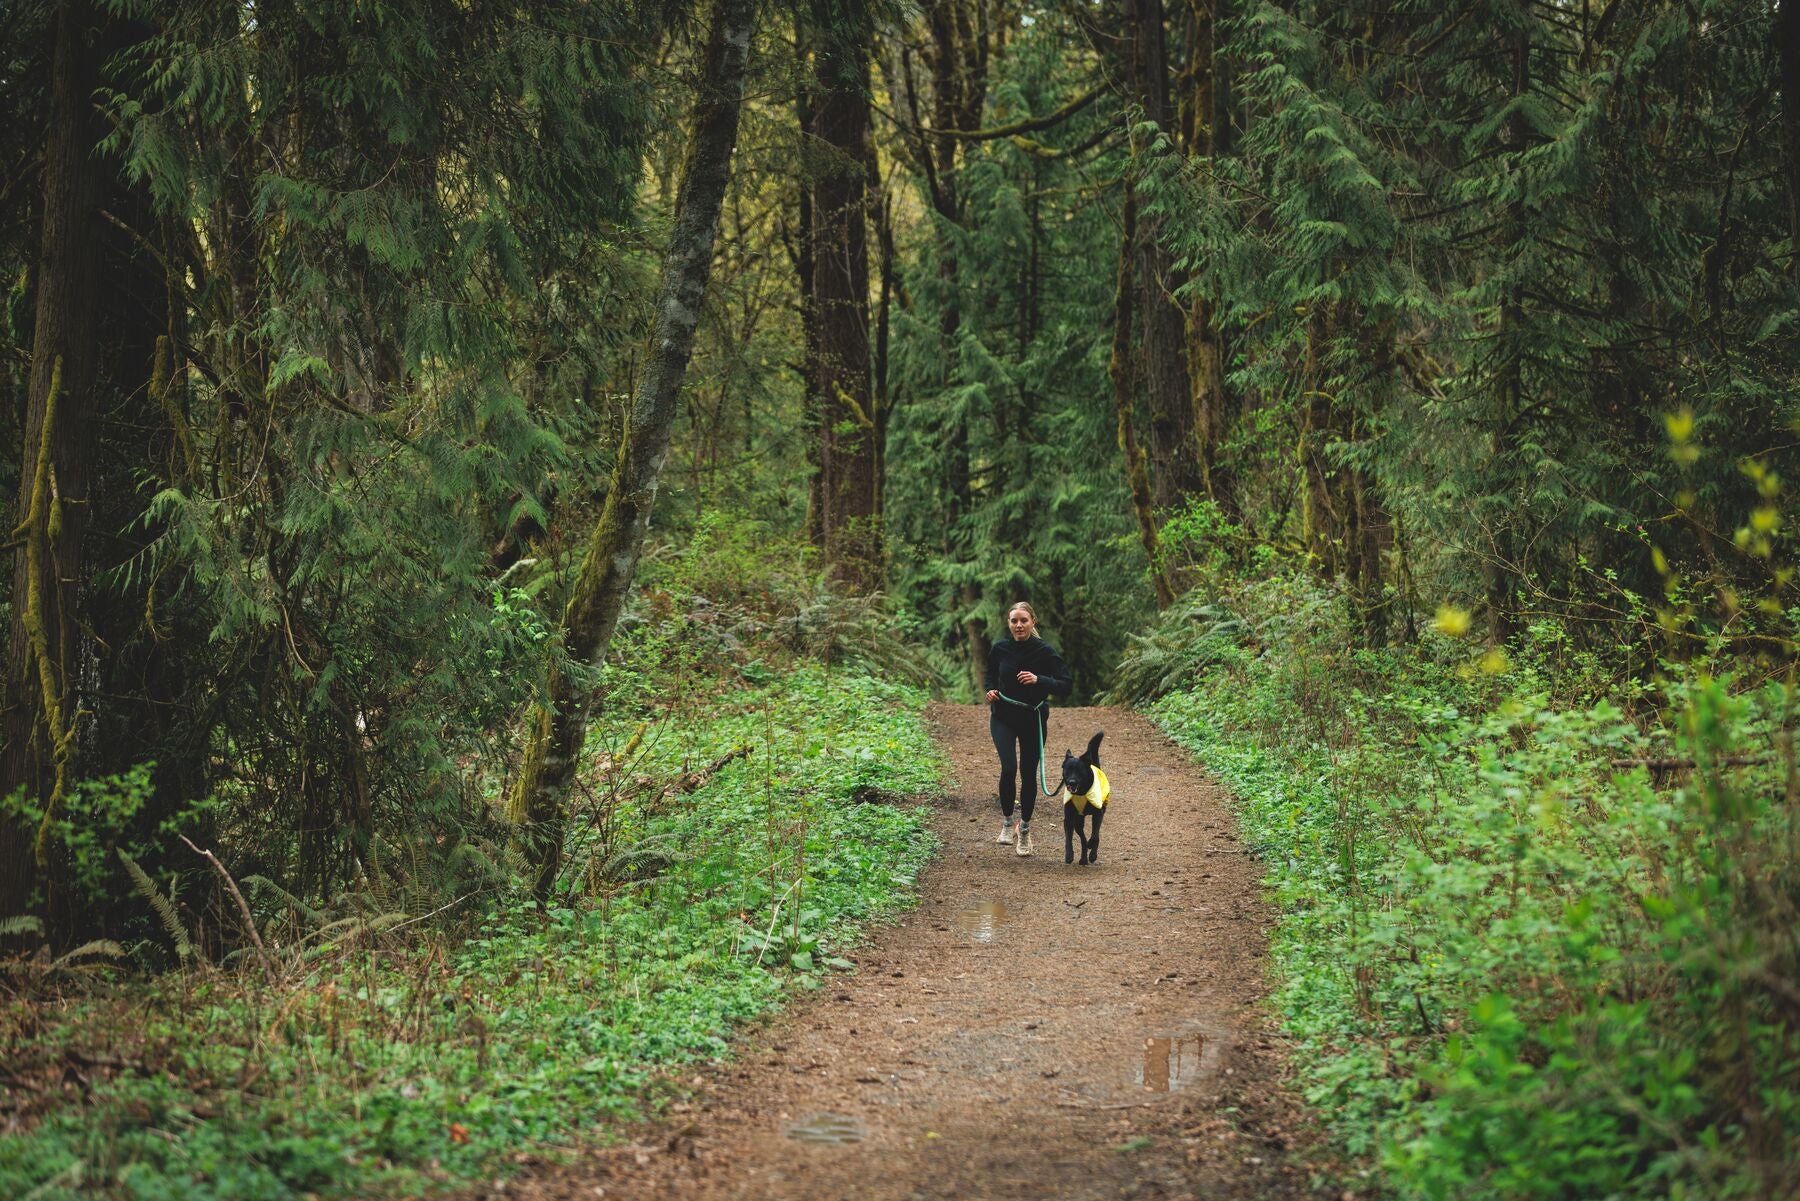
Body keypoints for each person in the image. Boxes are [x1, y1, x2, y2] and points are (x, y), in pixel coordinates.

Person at [985, 601, 1071, 856]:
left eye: (1024, 620)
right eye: (1014, 621)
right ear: (1009, 623)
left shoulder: (1045, 652)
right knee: (1009, 767)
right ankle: (1007, 822)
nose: (1019, 625)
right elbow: (990, 674)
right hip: (1003, 716)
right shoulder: (1000, 648)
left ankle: (1025, 830)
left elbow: (1066, 685)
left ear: (1033, 621)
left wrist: (1039, 680)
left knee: (1028, 773)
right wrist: (990, 690)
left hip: (1032, 719)